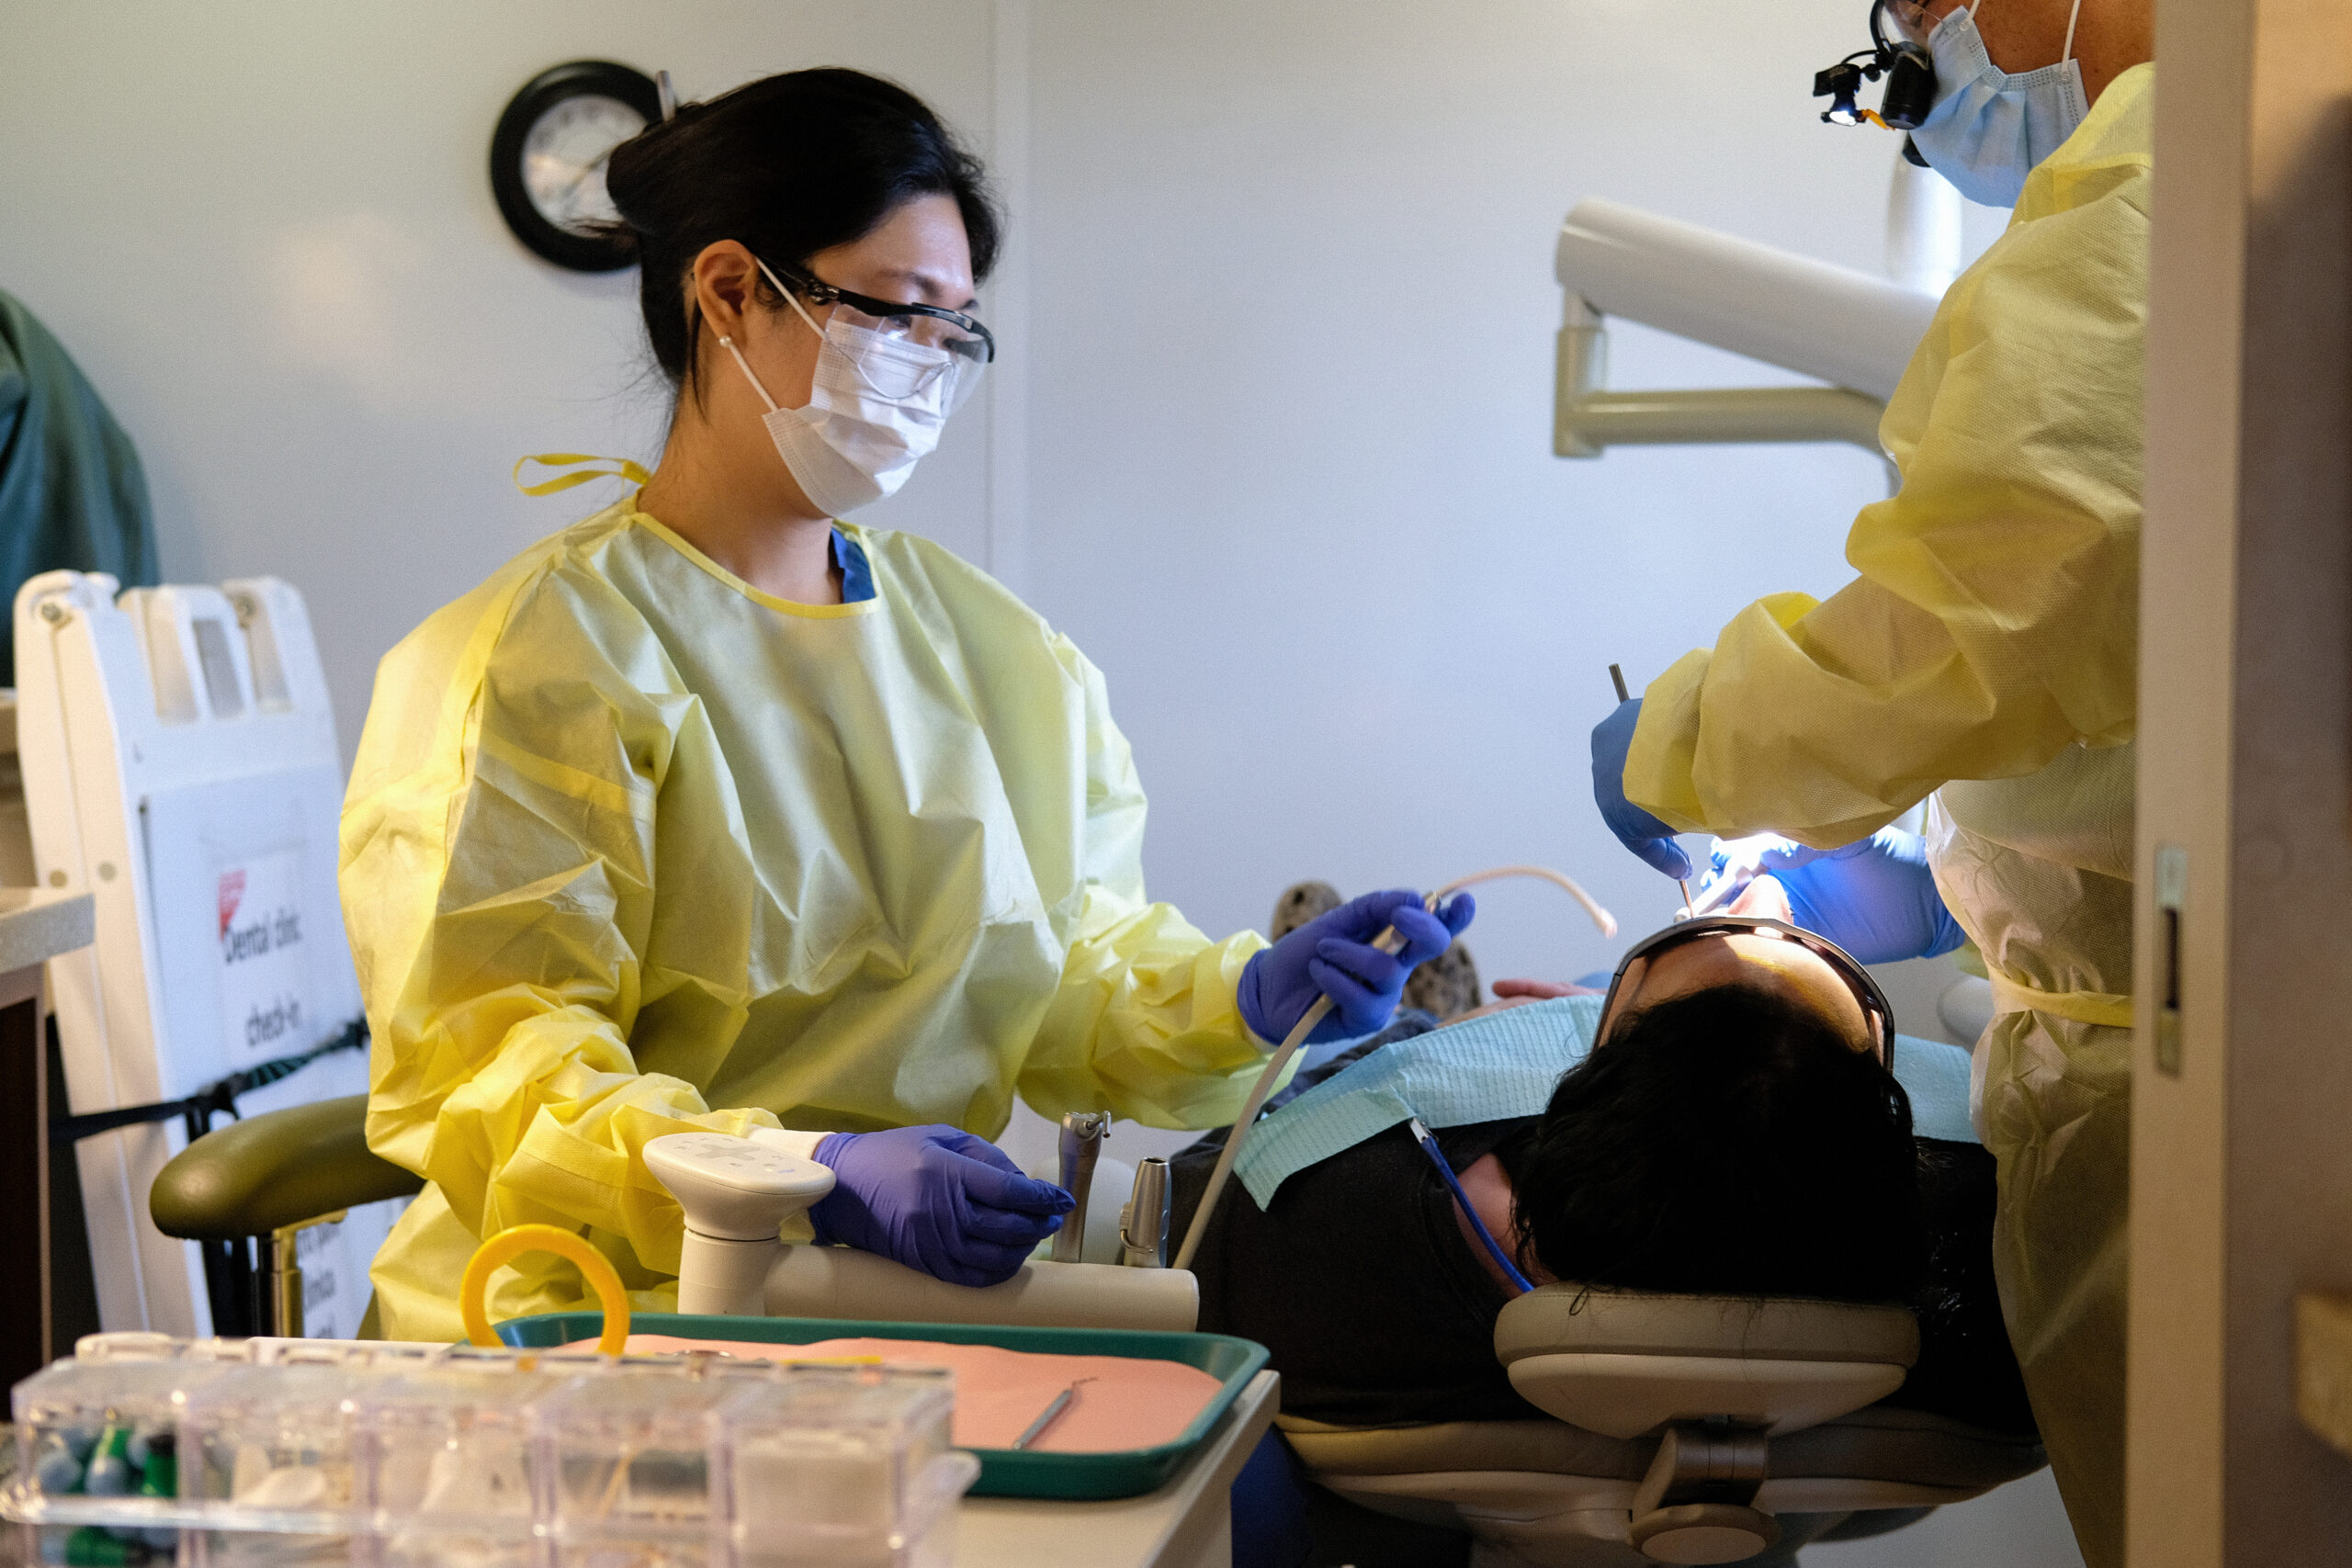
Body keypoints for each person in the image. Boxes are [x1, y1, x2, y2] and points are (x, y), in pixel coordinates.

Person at [340, 68, 1469, 1340]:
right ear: (728, 292)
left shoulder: (993, 655)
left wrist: (1248, 996)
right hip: (581, 1322)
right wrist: (803, 1177)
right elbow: (507, 1077)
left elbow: (1067, 963)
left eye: (956, 333)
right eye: (898, 315)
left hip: (874, 1314)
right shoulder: (532, 664)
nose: (929, 367)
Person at [1588, 0, 2150, 1557]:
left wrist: (1678, 746)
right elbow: (2123, 668)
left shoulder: (2181, 172)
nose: (1918, 62)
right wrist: (1973, 899)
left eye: (1910, 24)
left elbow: (1979, 605)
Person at [1178, 880, 2039, 1568]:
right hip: (1798, 1501)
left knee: (1394, 1046)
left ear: (1578, 1094)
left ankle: (1442, 1018)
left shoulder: (1330, 1219)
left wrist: (1484, 1046)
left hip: (1402, 1506)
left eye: (1596, 1037)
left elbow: (1197, 1200)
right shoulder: (2008, 1282)